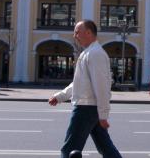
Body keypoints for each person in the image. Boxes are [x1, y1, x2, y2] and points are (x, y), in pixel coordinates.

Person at [48, 20, 122, 158]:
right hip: (90, 108)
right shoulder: (88, 53)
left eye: (77, 32)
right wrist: (60, 96)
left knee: (69, 149)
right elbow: (78, 83)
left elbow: (102, 87)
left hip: (86, 108)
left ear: (88, 32)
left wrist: (104, 115)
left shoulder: (95, 54)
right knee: (105, 147)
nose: (74, 35)